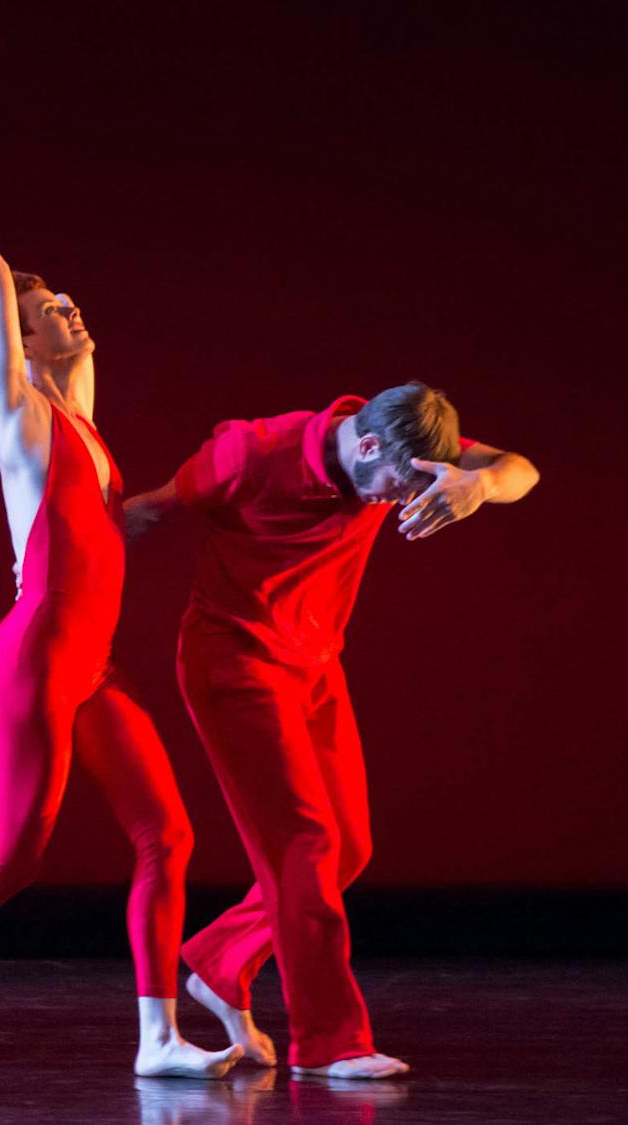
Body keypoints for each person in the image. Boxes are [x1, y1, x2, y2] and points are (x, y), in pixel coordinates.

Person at [0, 255, 240, 1078]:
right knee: (16, 855)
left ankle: (157, 1037)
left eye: (70, 299)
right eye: (52, 308)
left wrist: (43, 332)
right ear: (14, 337)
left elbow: (71, 349)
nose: (72, 309)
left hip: (91, 664)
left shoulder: (78, 417)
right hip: (33, 657)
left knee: (167, 835)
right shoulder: (19, 412)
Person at [123, 382, 539, 1079]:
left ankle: (221, 961)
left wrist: (480, 486)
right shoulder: (250, 456)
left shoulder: (400, 444)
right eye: (395, 487)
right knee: (305, 844)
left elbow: (522, 467)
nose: (396, 500)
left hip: (314, 665)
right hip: (236, 663)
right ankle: (330, 1042)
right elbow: (153, 507)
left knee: (349, 846)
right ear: (367, 444)